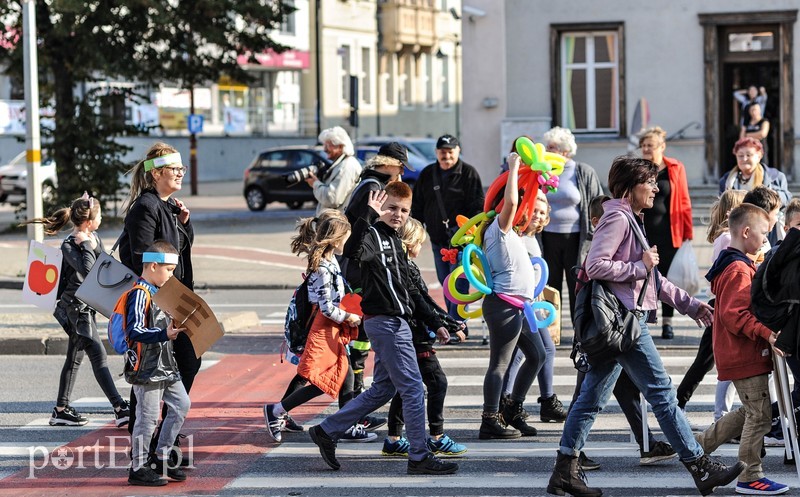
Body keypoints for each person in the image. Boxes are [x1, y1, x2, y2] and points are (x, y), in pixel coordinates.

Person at [547, 156, 744, 497]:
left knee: (591, 397)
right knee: (663, 395)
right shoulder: (618, 219)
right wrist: (638, 266)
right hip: (625, 323)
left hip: (622, 322)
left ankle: (564, 470)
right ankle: (699, 466)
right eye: (649, 182)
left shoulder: (630, 220)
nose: (655, 187)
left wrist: (688, 304)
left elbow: (653, 278)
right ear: (629, 187)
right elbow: (596, 265)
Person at [308, 182, 459, 475]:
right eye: (391, 208)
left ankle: (327, 430)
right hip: (386, 323)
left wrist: (437, 322)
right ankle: (418, 456)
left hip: (398, 322)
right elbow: (350, 251)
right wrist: (367, 215)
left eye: (403, 210)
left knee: (383, 389)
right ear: (380, 207)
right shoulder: (372, 235)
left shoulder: (395, 240)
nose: (397, 214)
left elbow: (411, 290)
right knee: (414, 389)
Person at [569, 193, 677, 471]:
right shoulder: (600, 250)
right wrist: (639, 266)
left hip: (619, 330)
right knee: (586, 396)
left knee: (622, 392)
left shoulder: (620, 241)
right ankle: (571, 453)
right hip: (602, 333)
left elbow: (654, 281)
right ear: (597, 222)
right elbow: (587, 293)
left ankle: (647, 445)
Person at [697, 204, 788, 496]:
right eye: (763, 233)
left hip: (740, 353)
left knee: (751, 411)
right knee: (760, 416)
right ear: (746, 232)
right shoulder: (737, 268)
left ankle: (696, 446)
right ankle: (750, 475)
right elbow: (734, 315)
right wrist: (767, 333)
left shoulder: (738, 264)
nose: (765, 240)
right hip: (743, 353)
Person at [265, 211, 374, 443]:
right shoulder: (323, 269)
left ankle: (346, 424)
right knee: (323, 380)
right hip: (324, 330)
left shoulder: (331, 261)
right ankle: (276, 410)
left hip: (332, 329)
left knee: (345, 379)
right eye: (345, 238)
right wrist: (349, 317)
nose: (347, 243)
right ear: (335, 240)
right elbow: (326, 308)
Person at [23, 194, 129, 428]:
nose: (101, 219)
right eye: (99, 216)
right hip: (75, 310)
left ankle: (60, 410)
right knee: (98, 354)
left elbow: (102, 267)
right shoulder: (71, 244)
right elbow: (89, 270)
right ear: (89, 221)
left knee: (74, 358)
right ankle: (120, 408)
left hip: (87, 306)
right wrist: (86, 246)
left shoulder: (94, 237)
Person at [119, 142, 196, 466]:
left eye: (181, 169)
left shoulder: (167, 206)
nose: (181, 173)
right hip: (157, 302)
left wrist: (185, 223)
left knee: (185, 363)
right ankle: (148, 444)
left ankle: (163, 436)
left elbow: (175, 251)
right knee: (149, 374)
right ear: (158, 173)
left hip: (176, 297)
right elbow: (140, 256)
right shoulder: (146, 207)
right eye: (176, 169)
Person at [382, 218, 467, 457]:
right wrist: (441, 325)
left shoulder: (404, 265)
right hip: (415, 335)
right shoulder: (405, 268)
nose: (422, 248)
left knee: (406, 386)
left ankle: (394, 438)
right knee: (437, 383)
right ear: (411, 243)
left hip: (412, 333)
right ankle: (436, 436)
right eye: (420, 243)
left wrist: (449, 322)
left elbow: (425, 301)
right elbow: (420, 303)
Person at [479, 152, 546, 440]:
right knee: (500, 364)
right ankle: (489, 419)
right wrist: (514, 168)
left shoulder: (515, 234)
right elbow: (512, 202)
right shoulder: (499, 228)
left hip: (520, 306)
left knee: (538, 355)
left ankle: (512, 409)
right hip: (504, 305)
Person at [341, 142, 412, 402]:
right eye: (400, 166)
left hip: (360, 267)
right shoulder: (373, 187)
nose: (402, 172)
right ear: (388, 163)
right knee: (357, 339)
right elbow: (360, 235)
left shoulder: (369, 182)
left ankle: (354, 397)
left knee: (360, 339)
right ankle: (351, 402)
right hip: (360, 270)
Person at [675, 190, 747, 428]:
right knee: (708, 360)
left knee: (709, 360)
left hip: (722, 301)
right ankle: (679, 404)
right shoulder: (728, 238)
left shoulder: (724, 236)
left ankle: (681, 405)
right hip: (723, 302)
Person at [122, 241, 191, 486]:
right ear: (153, 266)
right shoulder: (140, 293)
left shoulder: (159, 292)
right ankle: (138, 467)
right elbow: (135, 330)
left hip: (165, 365)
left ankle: (161, 456)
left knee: (182, 404)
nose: (172, 276)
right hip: (147, 367)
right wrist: (164, 334)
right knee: (147, 418)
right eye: (169, 270)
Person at [499, 190, 568, 424]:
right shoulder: (517, 237)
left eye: (542, 211)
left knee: (542, 351)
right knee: (522, 355)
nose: (538, 216)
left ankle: (542, 400)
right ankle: (507, 402)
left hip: (534, 305)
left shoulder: (531, 237)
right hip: (521, 305)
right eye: (534, 211)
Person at [411, 134, 485, 340]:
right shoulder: (428, 174)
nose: (446, 155)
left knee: (459, 282)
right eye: (442, 151)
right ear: (437, 153)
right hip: (438, 240)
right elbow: (417, 204)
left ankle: (457, 324)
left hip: (462, 240)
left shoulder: (468, 174)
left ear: (458, 151)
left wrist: (470, 232)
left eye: (450, 151)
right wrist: (415, 232)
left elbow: (478, 205)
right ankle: (454, 323)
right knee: (445, 282)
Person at [540, 126, 604, 324]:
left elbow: (597, 202)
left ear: (565, 151)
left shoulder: (582, 171)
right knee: (550, 284)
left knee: (578, 284)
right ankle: (552, 328)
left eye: (551, 147)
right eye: (547, 147)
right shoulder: (542, 171)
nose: (547, 151)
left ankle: (581, 329)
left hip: (577, 238)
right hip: (548, 236)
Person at [639, 126, 694, 339]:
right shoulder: (639, 169)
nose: (645, 149)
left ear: (662, 147)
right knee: (645, 276)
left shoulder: (675, 168)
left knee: (668, 278)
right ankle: (642, 319)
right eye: (643, 146)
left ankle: (667, 323)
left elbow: (683, 200)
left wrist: (688, 233)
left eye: (649, 146)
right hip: (644, 232)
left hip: (670, 231)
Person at [719, 137, 790, 220]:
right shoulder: (727, 180)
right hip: (737, 223)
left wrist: (772, 195)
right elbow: (722, 206)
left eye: (749, 155)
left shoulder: (775, 177)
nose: (744, 159)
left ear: (759, 156)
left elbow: (787, 199)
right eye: (740, 156)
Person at [306, 126, 362, 215]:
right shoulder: (343, 164)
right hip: (334, 223)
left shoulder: (346, 166)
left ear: (340, 146)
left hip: (338, 225)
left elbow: (332, 199)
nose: (324, 149)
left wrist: (315, 183)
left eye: (328, 145)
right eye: (324, 145)